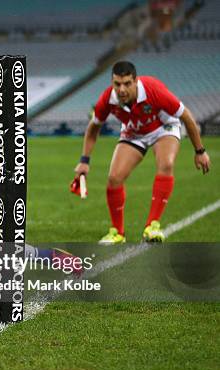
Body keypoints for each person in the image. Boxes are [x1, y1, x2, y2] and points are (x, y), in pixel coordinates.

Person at [74, 61, 211, 244]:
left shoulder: (154, 91)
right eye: (117, 84)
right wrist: (84, 160)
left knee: (166, 164)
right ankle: (117, 233)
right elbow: (93, 128)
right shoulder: (108, 99)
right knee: (114, 177)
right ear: (112, 83)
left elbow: (186, 116)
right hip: (134, 133)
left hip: (163, 127)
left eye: (127, 84)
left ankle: (152, 226)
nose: (122, 89)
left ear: (135, 81)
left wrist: (200, 151)